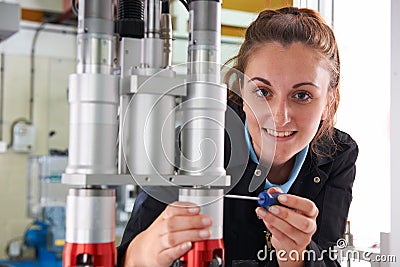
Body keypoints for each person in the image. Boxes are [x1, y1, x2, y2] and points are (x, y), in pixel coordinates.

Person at [118, 6, 358, 267]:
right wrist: (142, 254)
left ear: (328, 101)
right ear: (241, 90)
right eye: (263, 92)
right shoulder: (192, 141)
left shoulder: (336, 154)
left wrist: (297, 256)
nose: (279, 116)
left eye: (302, 95)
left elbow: (328, 257)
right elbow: (128, 253)